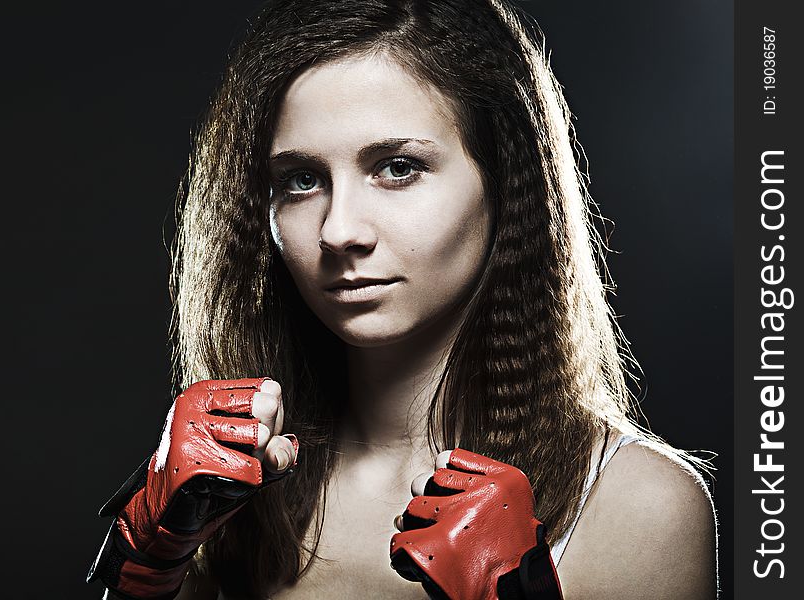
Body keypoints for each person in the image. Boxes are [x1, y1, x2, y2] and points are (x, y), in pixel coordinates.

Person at [88, 1, 718, 598]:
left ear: (506, 183)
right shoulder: (225, 485)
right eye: (301, 180)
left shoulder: (634, 504)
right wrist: (146, 567)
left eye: (397, 168)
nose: (339, 231)